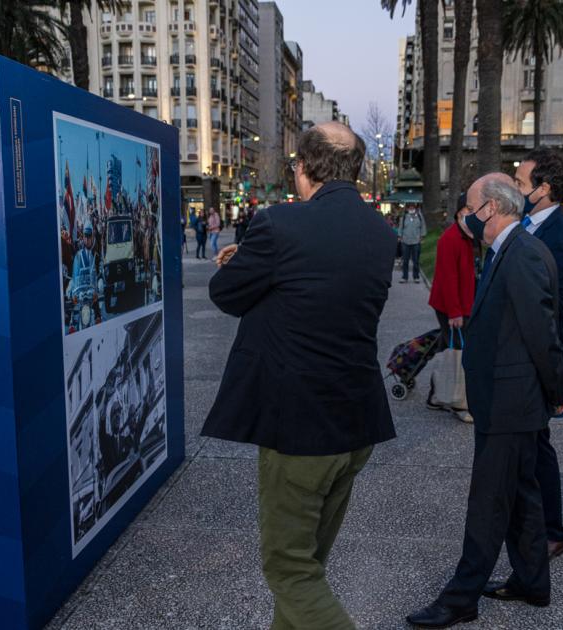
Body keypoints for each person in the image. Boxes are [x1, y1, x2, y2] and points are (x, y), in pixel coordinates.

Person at [203, 122, 397, 629]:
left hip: (300, 430)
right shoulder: (381, 231)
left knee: (289, 569)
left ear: (303, 169)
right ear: (355, 171)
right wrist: (258, 262)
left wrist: (240, 264)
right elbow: (318, 283)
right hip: (356, 423)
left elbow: (228, 296)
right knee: (308, 564)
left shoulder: (279, 225)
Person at [407, 174, 563, 629]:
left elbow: (543, 337)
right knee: (521, 493)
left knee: (488, 502)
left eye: (471, 206)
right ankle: (533, 581)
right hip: (508, 398)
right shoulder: (509, 250)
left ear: (492, 208)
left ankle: (462, 597)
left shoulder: (522, 255)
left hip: (511, 402)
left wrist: (554, 393)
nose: (467, 215)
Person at [512, 148, 563, 560]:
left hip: (538, 360)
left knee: (538, 447)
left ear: (544, 188)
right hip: (515, 358)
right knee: (527, 446)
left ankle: (552, 530)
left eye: (522, 184)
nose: (517, 189)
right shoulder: (523, 226)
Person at [426, 192, 476, 416]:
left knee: (446, 348)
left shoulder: (469, 237)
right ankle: (457, 401)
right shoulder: (450, 239)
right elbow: (448, 278)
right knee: (456, 351)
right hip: (450, 306)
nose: (473, 216)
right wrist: (455, 312)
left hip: (461, 304)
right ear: (459, 213)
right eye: (469, 211)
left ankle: (436, 396)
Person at [399, 204, 427, 283]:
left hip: (416, 241)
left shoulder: (419, 216)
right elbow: (401, 227)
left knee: (416, 261)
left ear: (415, 208)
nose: (411, 209)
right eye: (410, 207)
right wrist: (400, 236)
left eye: (412, 207)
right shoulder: (404, 217)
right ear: (407, 208)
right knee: (405, 261)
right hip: (405, 241)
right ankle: (404, 277)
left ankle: (416, 277)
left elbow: (423, 226)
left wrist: (422, 236)